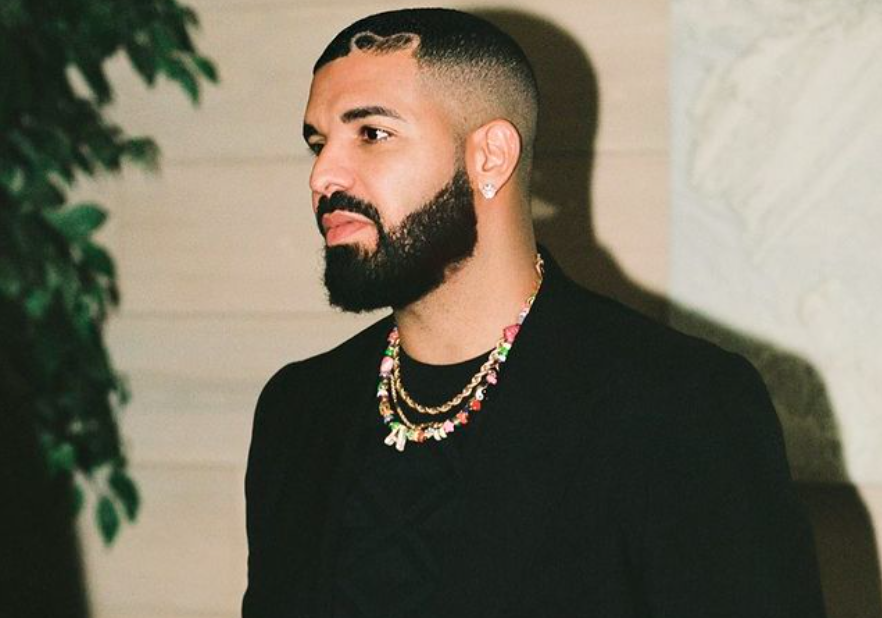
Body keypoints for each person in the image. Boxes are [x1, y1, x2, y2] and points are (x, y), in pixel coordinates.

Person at [242, 8, 827, 618]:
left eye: (371, 134)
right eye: (318, 142)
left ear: (490, 157)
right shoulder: (299, 408)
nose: (323, 175)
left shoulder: (678, 405)